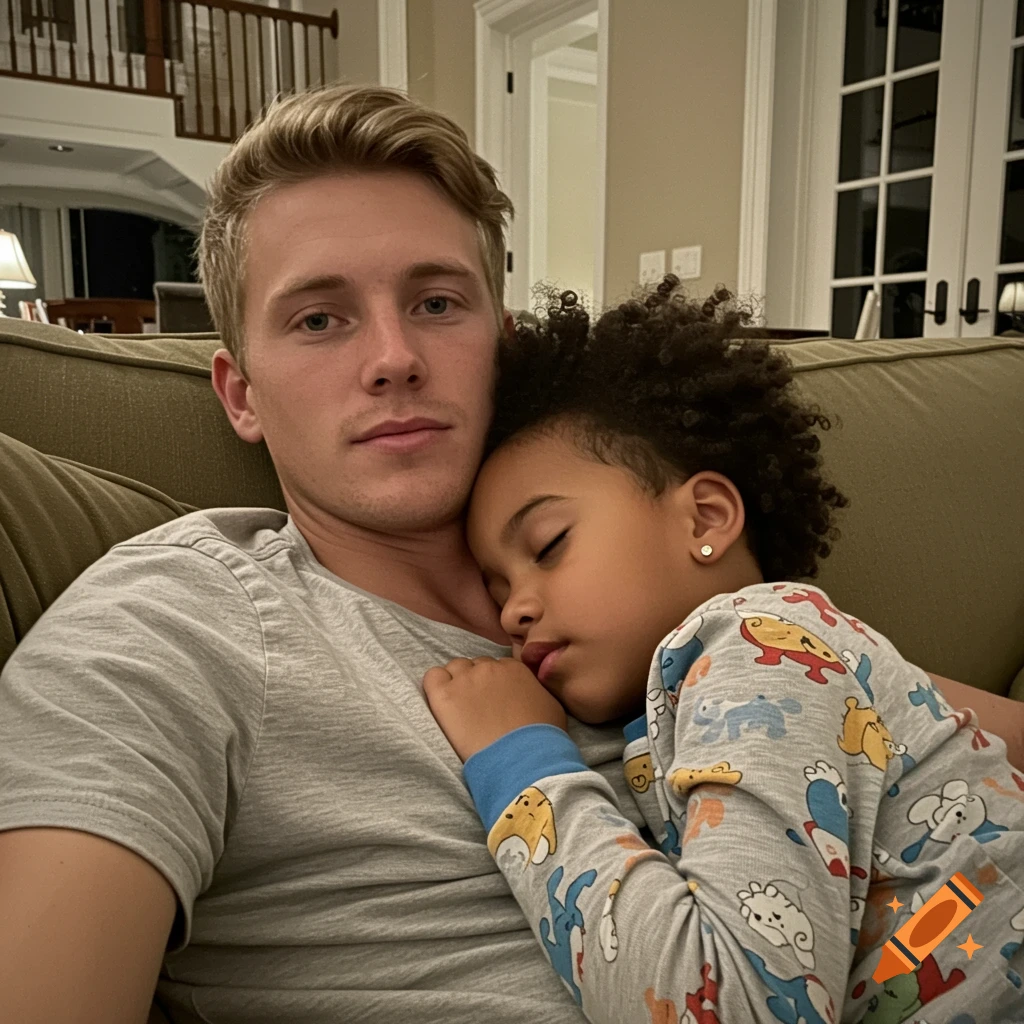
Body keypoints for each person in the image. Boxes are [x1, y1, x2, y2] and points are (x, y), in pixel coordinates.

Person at [0, 85, 1020, 1024]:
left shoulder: (653, 599)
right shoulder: (173, 621)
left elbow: (921, 730)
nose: (393, 356)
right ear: (240, 393)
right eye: (319, 318)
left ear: (502, 334)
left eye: (437, 302)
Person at [422, 283, 1024, 1024]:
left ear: (705, 517)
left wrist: (522, 766)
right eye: (495, 586)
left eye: (548, 546)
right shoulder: (774, 662)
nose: (514, 608)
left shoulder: (750, 645)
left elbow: (731, 1007)